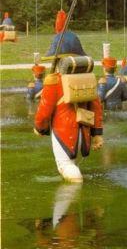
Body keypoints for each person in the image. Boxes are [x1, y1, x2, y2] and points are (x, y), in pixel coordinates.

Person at [34, 10, 103, 183]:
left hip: (64, 132)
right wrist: (97, 134)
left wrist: (40, 128)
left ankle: (76, 193)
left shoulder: (53, 81)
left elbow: (44, 111)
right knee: (71, 164)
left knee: (65, 166)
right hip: (84, 131)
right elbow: (96, 107)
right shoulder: (87, 78)